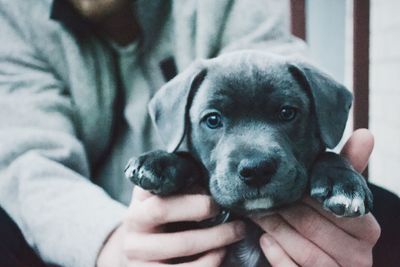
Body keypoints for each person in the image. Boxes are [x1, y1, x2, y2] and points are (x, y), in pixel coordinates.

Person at [0, 0, 397, 266]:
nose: (255, 151)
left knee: (384, 212)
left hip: (226, 201)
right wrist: (108, 244)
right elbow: (28, 163)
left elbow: (274, 64)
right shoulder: (14, 17)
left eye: (285, 113)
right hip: (100, 217)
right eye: (213, 119)